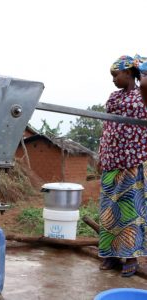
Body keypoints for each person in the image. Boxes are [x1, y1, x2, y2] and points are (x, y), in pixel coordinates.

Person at [98, 55, 147, 277]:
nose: (113, 79)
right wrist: (101, 155)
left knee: (130, 211)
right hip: (111, 162)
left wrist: (143, 70)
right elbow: (107, 128)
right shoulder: (113, 96)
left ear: (129, 73)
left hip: (132, 161)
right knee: (109, 210)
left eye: (115, 75)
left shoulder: (143, 96)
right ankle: (110, 254)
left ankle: (131, 256)